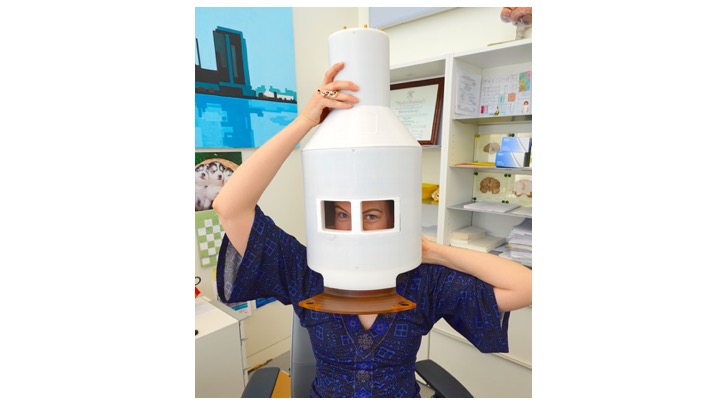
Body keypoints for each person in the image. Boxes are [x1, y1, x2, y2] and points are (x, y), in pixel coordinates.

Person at [213, 62, 532, 398]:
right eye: (341, 214)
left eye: (372, 215)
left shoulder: (423, 281)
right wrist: (305, 120)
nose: (355, 227)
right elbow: (229, 207)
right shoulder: (304, 272)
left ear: (395, 218)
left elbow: (525, 286)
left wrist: (433, 251)